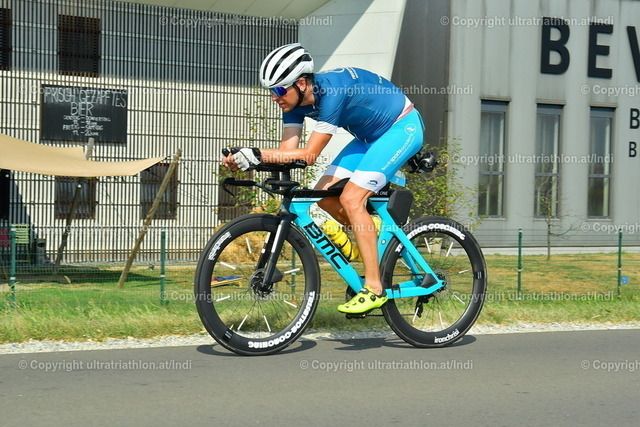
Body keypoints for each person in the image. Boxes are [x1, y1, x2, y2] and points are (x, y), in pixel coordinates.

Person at [222, 43, 424, 314]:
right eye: (271, 91)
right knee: (323, 197)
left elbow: (309, 155)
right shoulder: (292, 103)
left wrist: (257, 154)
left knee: (352, 199)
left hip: (401, 128)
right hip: (368, 139)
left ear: (301, 84)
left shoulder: (332, 93)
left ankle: (375, 288)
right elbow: (287, 153)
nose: (274, 97)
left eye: (279, 90)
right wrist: (245, 159)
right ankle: (373, 235)